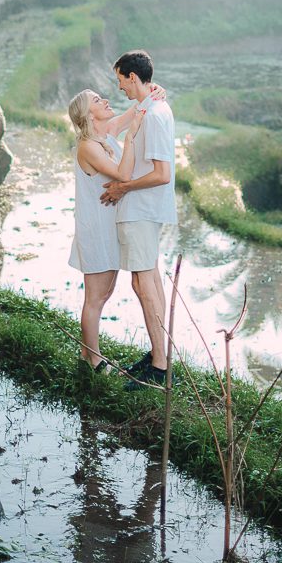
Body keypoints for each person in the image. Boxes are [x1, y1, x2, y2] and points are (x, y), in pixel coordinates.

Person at [100, 49, 176, 389]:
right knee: (148, 282)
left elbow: (162, 174)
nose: (119, 89)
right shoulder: (148, 107)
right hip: (142, 209)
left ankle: (159, 366)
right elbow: (123, 121)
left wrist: (122, 187)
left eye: (121, 81)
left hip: (142, 208)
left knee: (145, 285)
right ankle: (160, 354)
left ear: (133, 77)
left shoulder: (156, 114)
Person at [67, 89, 145, 371]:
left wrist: (151, 94)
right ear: (88, 114)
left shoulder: (104, 134)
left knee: (104, 294)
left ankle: (87, 355)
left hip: (107, 227)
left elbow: (136, 112)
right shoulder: (88, 146)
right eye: (97, 101)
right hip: (96, 229)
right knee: (95, 297)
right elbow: (123, 175)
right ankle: (93, 361)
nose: (106, 101)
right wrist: (131, 138)